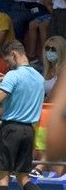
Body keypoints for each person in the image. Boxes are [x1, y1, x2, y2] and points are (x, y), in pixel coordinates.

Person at [0, 41, 57, 190]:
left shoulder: (13, 75)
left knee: (2, 177)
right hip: (29, 131)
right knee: (23, 177)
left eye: (8, 59)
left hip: (11, 129)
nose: (7, 64)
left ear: (15, 54)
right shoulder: (38, 77)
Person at [30, 36, 66, 179]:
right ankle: (37, 165)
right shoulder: (47, 70)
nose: (49, 52)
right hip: (46, 112)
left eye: (53, 49)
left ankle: (38, 166)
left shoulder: (64, 70)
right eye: (47, 48)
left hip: (58, 113)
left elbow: (54, 96)